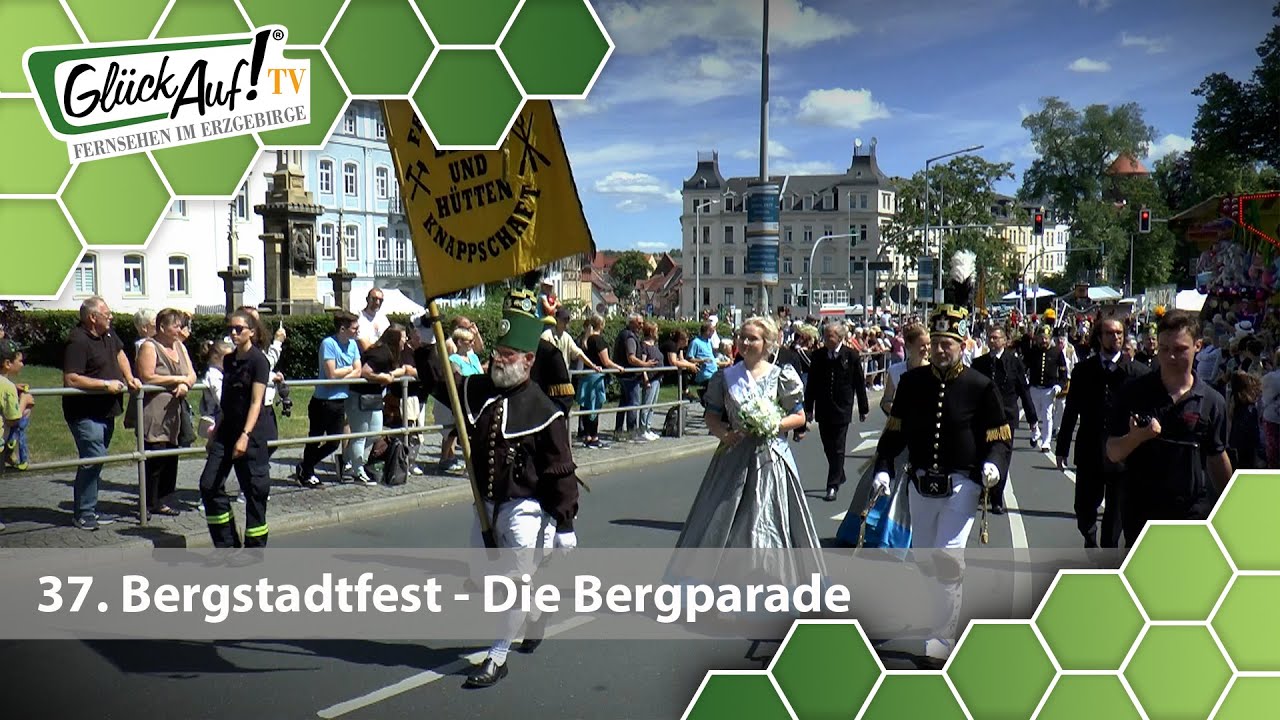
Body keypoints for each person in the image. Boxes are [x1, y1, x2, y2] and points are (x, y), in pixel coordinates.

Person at [416, 290, 580, 688]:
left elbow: (560, 467)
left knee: (513, 583)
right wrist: (426, 339)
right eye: (498, 351)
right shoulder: (480, 389)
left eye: (509, 354)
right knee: (483, 577)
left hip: (525, 510)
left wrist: (564, 522)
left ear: (527, 361)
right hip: (485, 504)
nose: (499, 359)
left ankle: (497, 656)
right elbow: (443, 384)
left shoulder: (544, 409)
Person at [871, 304, 1011, 668]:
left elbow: (999, 436)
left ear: (963, 343)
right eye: (935, 342)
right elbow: (894, 432)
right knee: (924, 558)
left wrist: (993, 465)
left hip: (962, 485)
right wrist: (883, 468)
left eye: (947, 342)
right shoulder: (912, 384)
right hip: (920, 485)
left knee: (948, 557)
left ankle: (939, 641)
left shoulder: (980, 386)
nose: (940, 349)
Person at [672, 315, 824, 576]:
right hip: (733, 459)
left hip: (771, 460)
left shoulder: (781, 376)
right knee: (722, 520)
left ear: (767, 343)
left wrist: (771, 424)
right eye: (742, 336)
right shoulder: (725, 377)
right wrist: (723, 433)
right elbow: (712, 416)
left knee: (768, 520)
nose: (744, 342)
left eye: (752, 338)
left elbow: (799, 417)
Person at [1106, 310, 1232, 546]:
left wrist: (1233, 508)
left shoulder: (1212, 401)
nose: (1170, 357)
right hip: (1142, 513)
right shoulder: (1134, 392)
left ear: (1198, 346)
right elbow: (1113, 451)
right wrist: (1136, 438)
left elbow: (1217, 456)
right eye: (1164, 349)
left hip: (1191, 513)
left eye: (1179, 349)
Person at [1055, 318, 1149, 548]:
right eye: (1109, 333)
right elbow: (1071, 410)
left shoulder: (1138, 372)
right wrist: (1062, 447)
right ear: (1099, 337)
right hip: (1090, 448)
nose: (1115, 337)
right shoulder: (1083, 370)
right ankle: (1088, 534)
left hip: (1123, 450)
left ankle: (1107, 552)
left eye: (1119, 333)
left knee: (1116, 508)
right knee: (1085, 506)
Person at [198, 308, 277, 548]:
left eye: (239, 329)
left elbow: (256, 402)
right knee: (208, 484)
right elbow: (227, 402)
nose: (233, 333)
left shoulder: (258, 361)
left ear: (251, 332)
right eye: (231, 328)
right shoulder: (229, 360)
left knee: (254, 493)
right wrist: (215, 434)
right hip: (226, 431)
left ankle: (254, 551)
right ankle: (227, 543)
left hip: (250, 435)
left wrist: (245, 436)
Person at [62, 297, 142, 530]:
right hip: (84, 413)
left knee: (99, 459)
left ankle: (91, 508)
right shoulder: (77, 341)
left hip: (107, 411)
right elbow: (71, 378)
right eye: (107, 313)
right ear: (92, 318)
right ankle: (84, 512)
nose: (111, 317)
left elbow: (120, 354)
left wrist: (128, 378)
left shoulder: (108, 334)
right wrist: (105, 385)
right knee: (93, 457)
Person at [135, 308, 197, 517]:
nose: (180, 329)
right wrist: (177, 380)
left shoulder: (179, 346)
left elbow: (191, 374)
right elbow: (147, 376)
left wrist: (186, 384)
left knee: (171, 456)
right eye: (176, 325)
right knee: (155, 457)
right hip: (154, 410)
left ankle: (163, 499)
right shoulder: (149, 346)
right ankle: (147, 503)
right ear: (162, 327)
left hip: (174, 412)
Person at [970, 325, 1038, 515]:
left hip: (1006, 418)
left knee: (1001, 457)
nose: (993, 341)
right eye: (990, 338)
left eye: (996, 338)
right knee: (982, 454)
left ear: (1005, 340)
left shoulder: (1014, 363)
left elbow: (1024, 391)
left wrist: (1032, 419)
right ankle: (983, 491)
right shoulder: (979, 363)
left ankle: (997, 498)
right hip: (983, 417)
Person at [804, 320, 870, 502]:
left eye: (830, 336)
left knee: (839, 447)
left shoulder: (851, 355)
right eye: (824, 336)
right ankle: (839, 472)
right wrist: (808, 408)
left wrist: (863, 408)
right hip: (824, 408)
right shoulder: (818, 356)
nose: (826, 339)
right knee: (828, 446)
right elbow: (811, 385)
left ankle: (832, 485)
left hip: (842, 408)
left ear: (840, 337)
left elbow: (859, 384)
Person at [293, 312, 361, 488]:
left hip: (340, 401)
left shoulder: (353, 344)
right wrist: (348, 371)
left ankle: (305, 466)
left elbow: (358, 371)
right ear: (342, 329)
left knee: (334, 442)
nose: (357, 331)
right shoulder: (328, 344)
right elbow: (331, 375)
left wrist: (343, 374)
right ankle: (307, 473)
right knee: (315, 438)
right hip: (323, 401)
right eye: (354, 328)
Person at [350, 324, 411, 484]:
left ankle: (347, 459)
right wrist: (383, 378)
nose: (406, 340)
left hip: (374, 397)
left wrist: (389, 374)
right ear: (396, 339)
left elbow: (399, 369)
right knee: (360, 434)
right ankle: (357, 472)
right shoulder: (381, 353)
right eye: (404, 337)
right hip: (359, 396)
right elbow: (365, 371)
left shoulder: (390, 354)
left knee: (376, 432)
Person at [576, 316, 622, 449]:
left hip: (586, 376)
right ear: (601, 324)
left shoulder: (586, 339)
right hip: (596, 377)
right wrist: (618, 367)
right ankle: (594, 437)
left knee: (586, 407)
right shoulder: (598, 340)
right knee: (594, 408)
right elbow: (606, 361)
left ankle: (587, 436)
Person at [1023, 324, 1068, 451]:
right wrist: (1024, 380)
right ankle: (1035, 432)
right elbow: (1023, 367)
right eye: (1041, 338)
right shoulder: (1032, 352)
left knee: (1048, 415)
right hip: (1034, 388)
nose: (1044, 340)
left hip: (1049, 389)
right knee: (1034, 414)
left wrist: (1059, 385)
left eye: (1046, 338)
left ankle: (1046, 442)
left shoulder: (1057, 352)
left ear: (1050, 338)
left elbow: (1064, 372)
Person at [881, 323, 930, 416]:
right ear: (908, 346)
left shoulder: (935, 370)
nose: (927, 348)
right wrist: (902, 414)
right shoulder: (895, 371)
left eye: (928, 344)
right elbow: (886, 401)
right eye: (922, 345)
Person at [1, 339, 33, 474]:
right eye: (19, 361)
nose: (22, 365)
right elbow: (13, 419)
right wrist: (24, 401)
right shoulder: (7, 387)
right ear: (8, 364)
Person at [1227, 371, 1262, 471]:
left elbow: (1230, 415)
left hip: (1239, 435)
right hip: (1251, 435)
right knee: (1250, 461)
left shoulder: (1235, 398)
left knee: (1242, 462)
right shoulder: (1251, 398)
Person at [1262, 348, 1280, 468]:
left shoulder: (1270, 377)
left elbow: (1264, 399)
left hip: (1272, 416)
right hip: (1273, 416)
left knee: (1273, 452)